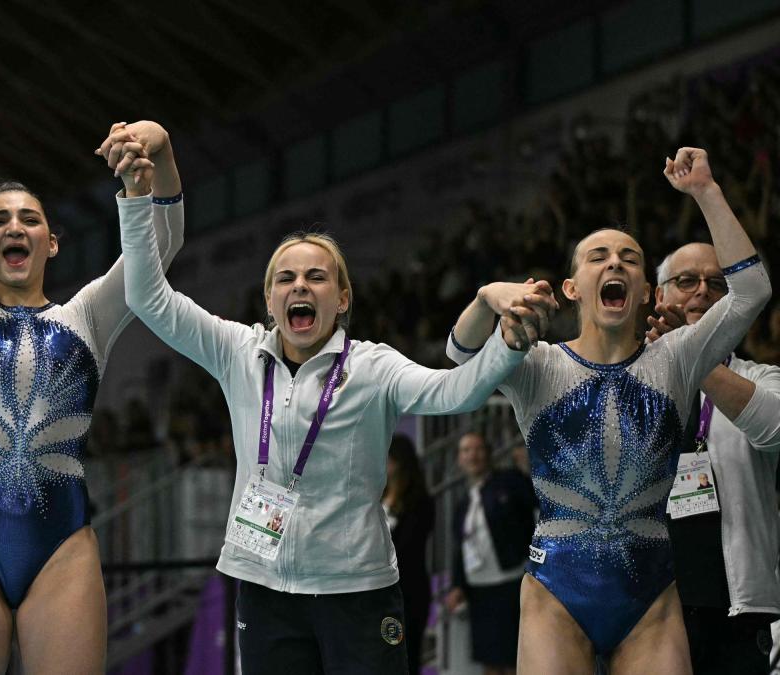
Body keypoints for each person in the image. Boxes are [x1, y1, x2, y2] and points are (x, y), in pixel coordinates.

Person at [117, 143, 554, 670]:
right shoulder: (237, 351)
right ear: (270, 299)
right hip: (264, 588)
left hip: (358, 592)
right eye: (286, 278)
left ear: (342, 299)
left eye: (316, 277)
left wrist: (507, 341)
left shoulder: (372, 368)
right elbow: (147, 296)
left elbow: (457, 392)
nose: (300, 285)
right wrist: (137, 199)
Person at [0, 6, 184, 671]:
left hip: (62, 548)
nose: (16, 227)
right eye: (1, 220)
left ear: (52, 241)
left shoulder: (85, 316)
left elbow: (164, 241)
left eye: (31, 219)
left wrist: (161, 150)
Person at [446, 147, 771, 673]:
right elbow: (458, 356)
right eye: (597, 256)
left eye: (630, 258)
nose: (615, 262)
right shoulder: (539, 365)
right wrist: (487, 298)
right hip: (555, 593)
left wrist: (707, 193)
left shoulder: (680, 357)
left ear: (645, 292)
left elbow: (752, 291)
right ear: (572, 288)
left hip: (652, 601)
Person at [650, 240, 780, 674]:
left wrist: (691, 353)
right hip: (646, 611)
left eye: (718, 284)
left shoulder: (761, 379)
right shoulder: (629, 382)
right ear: (658, 296)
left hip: (738, 612)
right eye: (686, 281)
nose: (702, 291)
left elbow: (774, 429)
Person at [443, 432, 536, 675]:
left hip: (510, 582)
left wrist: (528, 469)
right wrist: (457, 585)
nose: (472, 455)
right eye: (466, 450)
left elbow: (534, 506)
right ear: (459, 459)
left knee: (517, 657)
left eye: (477, 449)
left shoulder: (509, 481)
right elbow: (460, 548)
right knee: (488, 659)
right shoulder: (464, 503)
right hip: (479, 589)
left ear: (489, 454)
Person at [383, 434, 434, 675]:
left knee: (407, 657)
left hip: (408, 591)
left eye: (388, 458)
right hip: (378, 591)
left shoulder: (420, 501)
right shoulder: (377, 496)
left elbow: (408, 548)